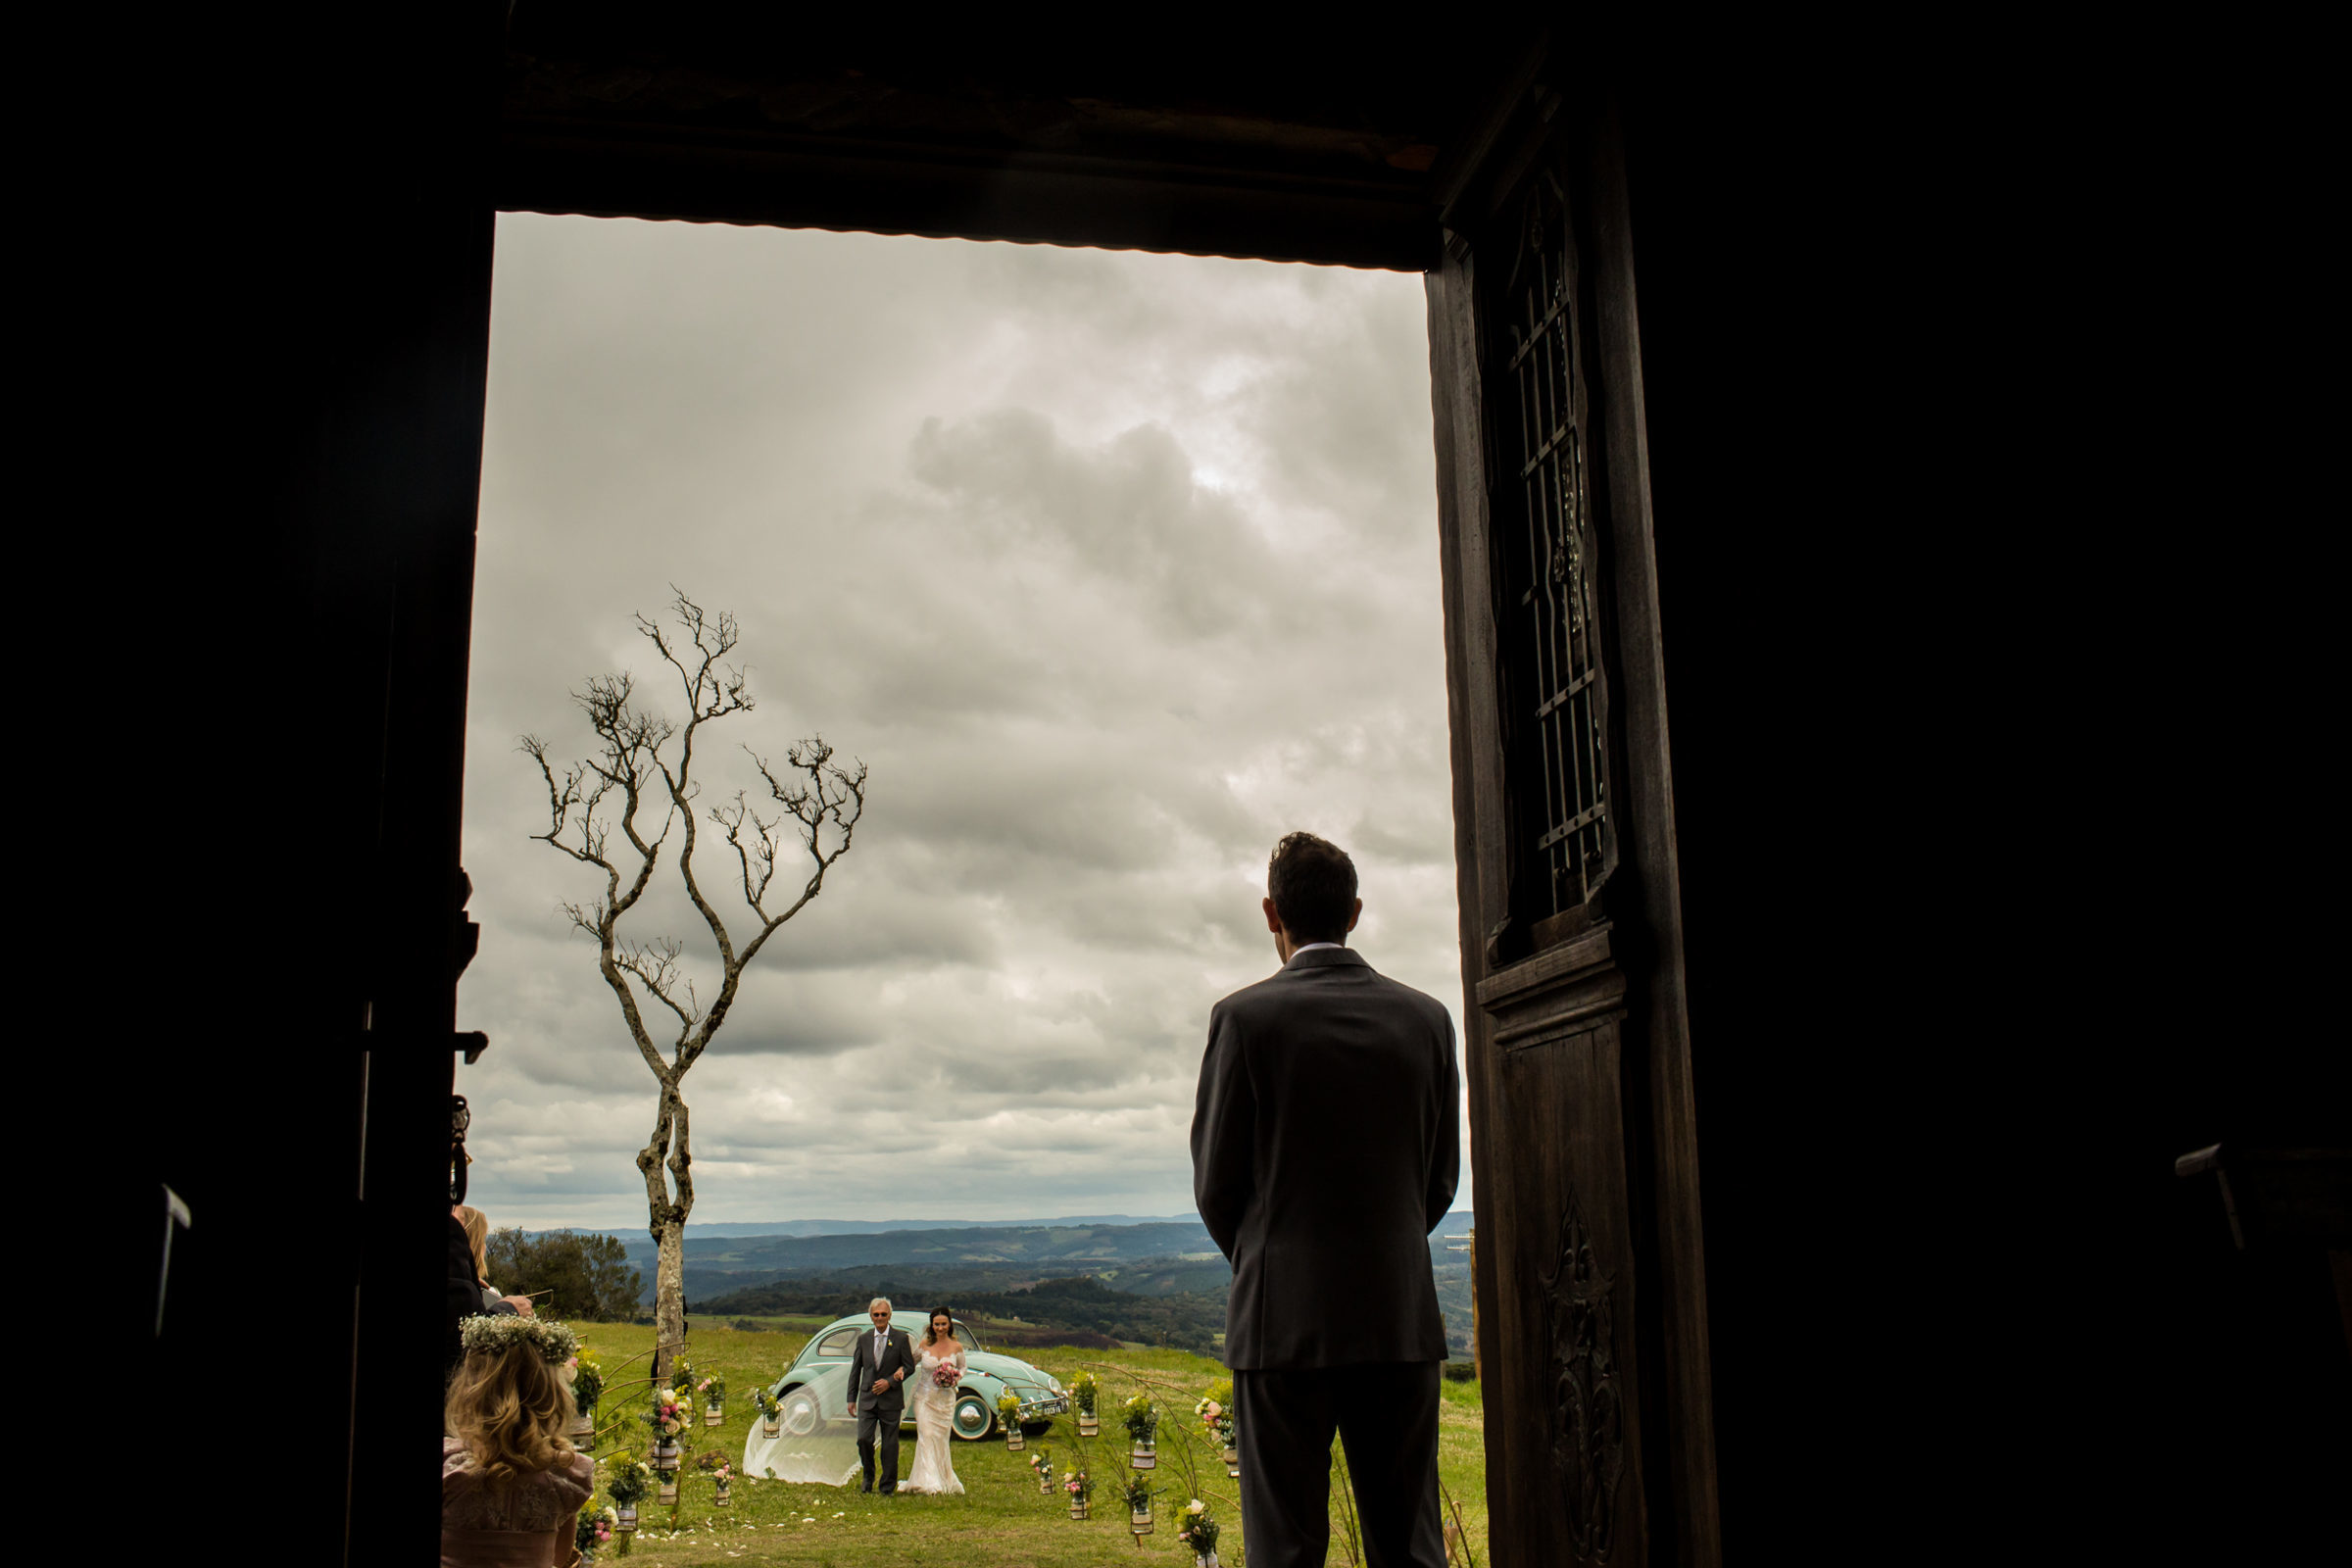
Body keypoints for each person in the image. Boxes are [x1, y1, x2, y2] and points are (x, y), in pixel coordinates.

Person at [1191, 831, 1460, 1568]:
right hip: (1398, 1320)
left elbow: (1215, 1185)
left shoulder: (1243, 1019)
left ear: (1271, 912)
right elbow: (1439, 1180)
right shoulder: (1427, 1019)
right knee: (1409, 1549)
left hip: (1280, 1327)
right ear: (1356, 912)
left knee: (1285, 1551)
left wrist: (1271, 1260)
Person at [442, 1313, 596, 1567]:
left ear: (471, 1389)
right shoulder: (563, 1477)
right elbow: (560, 1557)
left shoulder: (449, 1467)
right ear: (551, 1393)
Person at [846, 1296, 917, 1494]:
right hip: (867, 1399)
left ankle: (887, 1485)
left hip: (891, 1400)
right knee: (864, 1439)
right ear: (871, 1316)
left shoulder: (901, 1338)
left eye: (883, 1314)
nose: (880, 1318)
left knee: (890, 1445)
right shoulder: (864, 1339)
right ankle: (868, 1475)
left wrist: (890, 1382)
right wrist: (851, 1398)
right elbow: (856, 1370)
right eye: (876, 1314)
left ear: (889, 1315)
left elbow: (909, 1366)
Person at [901, 1306, 967, 1494]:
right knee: (926, 1436)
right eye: (936, 1324)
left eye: (943, 1324)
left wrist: (955, 1377)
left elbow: (963, 1367)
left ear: (949, 1325)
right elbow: (910, 1363)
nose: (940, 1328)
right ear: (931, 1326)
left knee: (941, 1439)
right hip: (924, 1398)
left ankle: (943, 1477)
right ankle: (930, 1482)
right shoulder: (924, 1345)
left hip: (945, 1401)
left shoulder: (957, 1347)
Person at [459, 1204, 536, 1317]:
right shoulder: (463, 1295)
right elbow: (476, 1324)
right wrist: (508, 1309)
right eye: (483, 1240)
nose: (484, 1247)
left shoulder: (470, 1290)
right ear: (475, 1245)